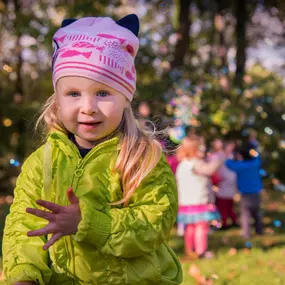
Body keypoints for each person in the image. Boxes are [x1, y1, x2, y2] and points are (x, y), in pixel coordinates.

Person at [3, 15, 182, 285]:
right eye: (74, 94)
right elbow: (23, 225)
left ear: (125, 97)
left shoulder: (141, 158)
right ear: (57, 100)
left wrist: (89, 223)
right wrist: (24, 276)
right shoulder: (42, 164)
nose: (88, 107)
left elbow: (153, 223)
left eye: (102, 93)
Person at [175, 135, 223, 258]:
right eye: (201, 148)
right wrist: (219, 158)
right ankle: (201, 252)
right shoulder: (196, 164)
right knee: (201, 227)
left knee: (190, 227)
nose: (203, 151)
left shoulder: (182, 165)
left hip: (186, 203)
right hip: (199, 201)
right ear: (195, 150)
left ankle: (189, 250)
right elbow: (210, 169)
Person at [226, 142, 263, 239]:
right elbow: (258, 156)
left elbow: (228, 163)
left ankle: (246, 234)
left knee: (245, 214)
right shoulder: (255, 163)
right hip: (256, 192)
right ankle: (259, 231)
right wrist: (254, 144)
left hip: (245, 193)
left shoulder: (239, 166)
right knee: (257, 213)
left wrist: (229, 152)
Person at [210, 140, 238, 229]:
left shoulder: (222, 158)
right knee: (227, 207)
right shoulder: (223, 158)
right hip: (224, 186)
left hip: (223, 186)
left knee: (224, 208)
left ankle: (225, 223)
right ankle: (231, 221)